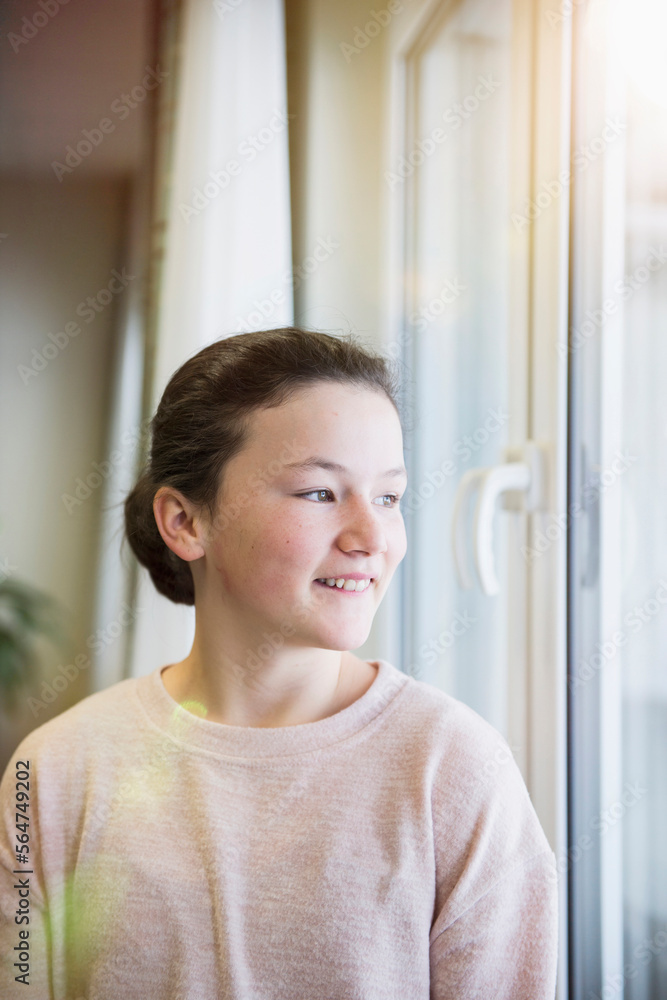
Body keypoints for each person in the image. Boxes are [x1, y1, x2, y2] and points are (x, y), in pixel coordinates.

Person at [0, 327, 558, 998]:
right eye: (318, 493)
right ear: (184, 521)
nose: (371, 537)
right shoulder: (56, 772)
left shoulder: (453, 769)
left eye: (387, 497)